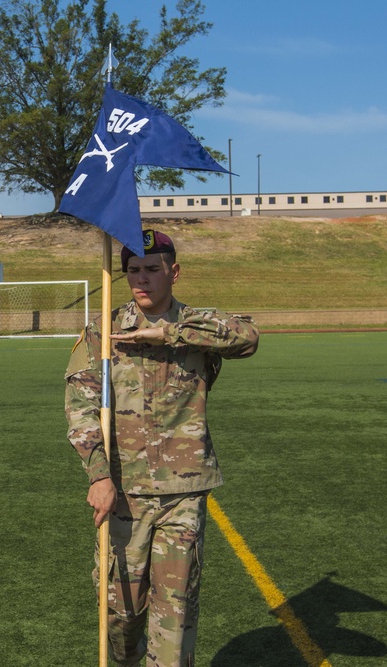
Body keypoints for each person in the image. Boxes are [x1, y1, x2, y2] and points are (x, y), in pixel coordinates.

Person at [64, 229, 259, 667]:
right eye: (133, 270)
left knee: (175, 618)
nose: (142, 279)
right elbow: (80, 409)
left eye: (153, 269)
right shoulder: (104, 333)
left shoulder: (198, 327)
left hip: (182, 495)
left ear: (174, 272)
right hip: (122, 498)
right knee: (122, 616)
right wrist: (98, 476)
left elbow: (247, 337)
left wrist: (171, 333)